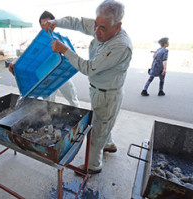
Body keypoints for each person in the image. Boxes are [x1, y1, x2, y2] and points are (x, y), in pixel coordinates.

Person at [42, 0, 132, 174]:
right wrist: (56, 22)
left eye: (102, 28)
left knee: (98, 131)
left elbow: (89, 68)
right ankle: (109, 144)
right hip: (99, 90)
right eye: (96, 25)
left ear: (118, 26)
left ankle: (93, 166)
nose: (96, 31)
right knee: (103, 122)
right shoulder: (102, 23)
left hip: (108, 95)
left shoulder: (120, 46)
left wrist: (65, 50)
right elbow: (79, 22)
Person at [9, 11, 80, 107]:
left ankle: (80, 117)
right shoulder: (38, 41)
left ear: (54, 23)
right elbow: (26, 55)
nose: (46, 26)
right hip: (46, 77)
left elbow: (71, 55)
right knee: (48, 103)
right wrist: (14, 62)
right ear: (40, 26)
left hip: (61, 75)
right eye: (43, 24)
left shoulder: (59, 39)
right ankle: (49, 119)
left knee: (72, 98)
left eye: (49, 23)